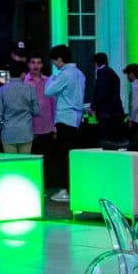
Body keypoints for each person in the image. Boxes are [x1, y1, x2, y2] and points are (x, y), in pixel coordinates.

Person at [44, 45, 86, 203]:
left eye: (54, 60)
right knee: (72, 156)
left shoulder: (64, 74)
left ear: (60, 59)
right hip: (76, 120)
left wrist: (52, 77)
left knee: (63, 157)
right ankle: (72, 189)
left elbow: (48, 92)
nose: (54, 64)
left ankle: (66, 191)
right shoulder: (80, 74)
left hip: (64, 119)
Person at [0, 63, 41, 153]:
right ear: (23, 74)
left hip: (8, 133)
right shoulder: (30, 89)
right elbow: (37, 111)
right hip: (26, 132)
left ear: (9, 74)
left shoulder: (1, 90)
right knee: (25, 164)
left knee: (10, 164)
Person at [25, 54, 57, 181]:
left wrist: (55, 126)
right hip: (28, 128)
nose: (36, 65)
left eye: (39, 62)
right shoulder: (24, 83)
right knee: (31, 160)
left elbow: (54, 105)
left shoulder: (49, 81)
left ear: (42, 65)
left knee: (47, 159)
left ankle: (46, 185)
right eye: (33, 62)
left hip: (47, 127)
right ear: (28, 65)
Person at [89, 52, 126, 146]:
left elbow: (101, 92)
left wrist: (92, 106)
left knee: (107, 141)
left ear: (96, 63)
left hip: (107, 113)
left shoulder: (102, 73)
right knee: (115, 139)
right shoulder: (111, 72)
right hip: (116, 111)